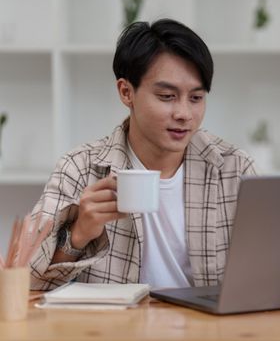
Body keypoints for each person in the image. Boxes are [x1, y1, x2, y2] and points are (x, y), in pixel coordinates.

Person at [30, 19, 257, 290]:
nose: (184, 114)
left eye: (196, 98)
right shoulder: (80, 169)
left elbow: (270, 273)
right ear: (126, 92)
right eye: (166, 96)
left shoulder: (234, 169)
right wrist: (78, 234)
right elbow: (27, 283)